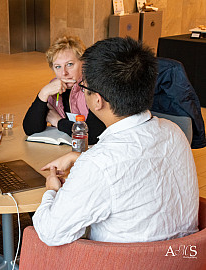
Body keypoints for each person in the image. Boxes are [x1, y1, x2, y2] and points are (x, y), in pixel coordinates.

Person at [32, 37, 199, 246]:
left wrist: (52, 191)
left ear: (98, 100)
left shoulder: (98, 164)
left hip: (121, 261)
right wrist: (80, 156)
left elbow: (50, 233)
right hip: (184, 257)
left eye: (83, 87)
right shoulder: (174, 132)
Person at [23, 36, 106, 145]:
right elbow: (30, 129)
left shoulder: (93, 88)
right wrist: (43, 93)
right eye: (58, 67)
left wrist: (58, 122)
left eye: (70, 64)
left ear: (83, 63)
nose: (64, 73)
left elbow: (92, 136)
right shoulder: (53, 88)